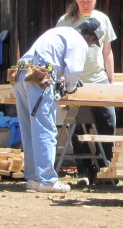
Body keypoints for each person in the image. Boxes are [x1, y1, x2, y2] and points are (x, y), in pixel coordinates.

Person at [13, 20, 103, 192]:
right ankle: (47, 180)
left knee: (29, 128)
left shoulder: (61, 31)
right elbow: (75, 71)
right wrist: (71, 86)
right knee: (45, 128)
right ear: (91, 37)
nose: (91, 45)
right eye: (93, 42)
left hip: (22, 72)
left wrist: (62, 81)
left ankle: (33, 177)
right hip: (39, 76)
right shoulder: (79, 42)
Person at [56, 0, 118, 175]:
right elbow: (59, 52)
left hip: (99, 79)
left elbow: (108, 52)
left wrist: (111, 80)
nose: (85, 4)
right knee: (77, 125)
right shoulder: (65, 21)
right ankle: (84, 170)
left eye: (89, 1)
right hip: (75, 81)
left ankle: (106, 167)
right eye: (82, 1)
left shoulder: (103, 19)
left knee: (108, 121)